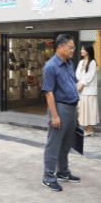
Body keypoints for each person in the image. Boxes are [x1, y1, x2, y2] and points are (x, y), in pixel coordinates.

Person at [41, 34, 81, 192]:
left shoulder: (69, 63)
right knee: (54, 144)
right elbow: (48, 92)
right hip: (60, 108)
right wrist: (55, 116)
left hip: (71, 108)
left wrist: (76, 107)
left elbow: (73, 84)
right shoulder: (50, 66)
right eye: (70, 47)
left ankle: (63, 171)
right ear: (60, 47)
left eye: (73, 47)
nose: (73, 50)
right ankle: (48, 177)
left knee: (66, 144)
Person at [76, 45, 99, 137]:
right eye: (81, 49)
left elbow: (90, 76)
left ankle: (89, 130)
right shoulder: (81, 62)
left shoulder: (92, 62)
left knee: (89, 111)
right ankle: (85, 129)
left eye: (83, 49)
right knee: (81, 110)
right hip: (81, 90)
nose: (81, 50)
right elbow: (77, 75)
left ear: (88, 51)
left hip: (89, 91)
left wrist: (82, 85)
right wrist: (78, 84)